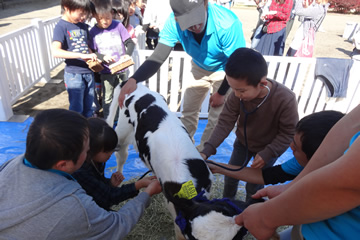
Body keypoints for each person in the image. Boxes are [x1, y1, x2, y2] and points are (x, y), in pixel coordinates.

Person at [0, 109, 162, 239]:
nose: (89, 153)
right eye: (87, 150)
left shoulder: (10, 165)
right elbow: (117, 225)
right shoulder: (74, 206)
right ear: (63, 164)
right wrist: (146, 193)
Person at [118, 0, 246, 152]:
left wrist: (221, 93)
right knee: (189, 110)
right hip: (199, 66)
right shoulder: (173, 23)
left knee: (216, 117)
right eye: (189, 23)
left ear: (205, 4)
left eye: (198, 20)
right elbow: (158, 57)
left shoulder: (228, 24)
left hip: (226, 71)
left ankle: (205, 153)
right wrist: (134, 79)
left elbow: (237, 63)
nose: (196, 27)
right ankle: (184, 148)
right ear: (177, 18)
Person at [235, 104, 360, 240]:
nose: (290, 147)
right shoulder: (306, 161)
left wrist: (266, 217)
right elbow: (351, 123)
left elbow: (347, 184)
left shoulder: (309, 163)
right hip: (310, 230)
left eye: (296, 147)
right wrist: (292, 186)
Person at [200, 48, 299, 202]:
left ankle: (250, 209)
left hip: (267, 149)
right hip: (242, 144)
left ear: (262, 84)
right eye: (233, 89)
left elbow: (288, 133)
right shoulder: (236, 96)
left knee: (254, 184)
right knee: (230, 175)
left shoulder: (285, 99)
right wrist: (208, 149)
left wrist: (269, 152)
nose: (236, 95)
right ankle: (228, 204)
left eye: (241, 91)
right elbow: (225, 122)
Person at [207, 110, 344, 186]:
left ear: (317, 157)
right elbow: (265, 176)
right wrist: (219, 167)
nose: (290, 147)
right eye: (292, 141)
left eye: (295, 147)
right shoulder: (299, 164)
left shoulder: (342, 183)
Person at [72, 117, 157, 210]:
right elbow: (108, 197)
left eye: (112, 150)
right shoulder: (80, 170)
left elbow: (96, 185)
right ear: (90, 149)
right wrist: (138, 185)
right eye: (107, 151)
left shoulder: (96, 160)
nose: (111, 154)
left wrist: (109, 183)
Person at [89, 0, 135, 119]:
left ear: (112, 13)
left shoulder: (118, 25)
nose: (105, 21)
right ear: (94, 16)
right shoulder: (93, 32)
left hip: (121, 68)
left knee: (122, 94)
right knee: (108, 96)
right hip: (106, 71)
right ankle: (109, 118)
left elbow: (130, 43)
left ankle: (120, 118)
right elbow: (92, 51)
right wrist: (102, 57)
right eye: (101, 18)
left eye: (108, 18)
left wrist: (127, 54)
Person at [52, 0, 97, 118]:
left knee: (89, 106)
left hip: (88, 72)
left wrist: (92, 56)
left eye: (86, 14)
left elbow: (85, 45)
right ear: (67, 7)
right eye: (81, 14)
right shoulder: (61, 27)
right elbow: (56, 51)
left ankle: (87, 130)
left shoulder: (83, 25)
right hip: (74, 74)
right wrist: (82, 55)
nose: (83, 17)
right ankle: (76, 132)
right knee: (77, 109)